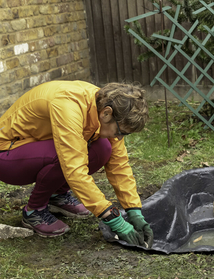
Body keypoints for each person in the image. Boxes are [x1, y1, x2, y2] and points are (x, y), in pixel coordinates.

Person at [0, 81, 154, 247]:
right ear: (107, 113)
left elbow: (119, 164)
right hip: (8, 155)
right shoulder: (68, 105)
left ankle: (57, 195)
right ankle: (34, 211)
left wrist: (133, 209)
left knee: (102, 149)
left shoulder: (104, 106)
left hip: (37, 146)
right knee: (63, 155)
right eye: (120, 132)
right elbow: (74, 168)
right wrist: (110, 217)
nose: (119, 137)